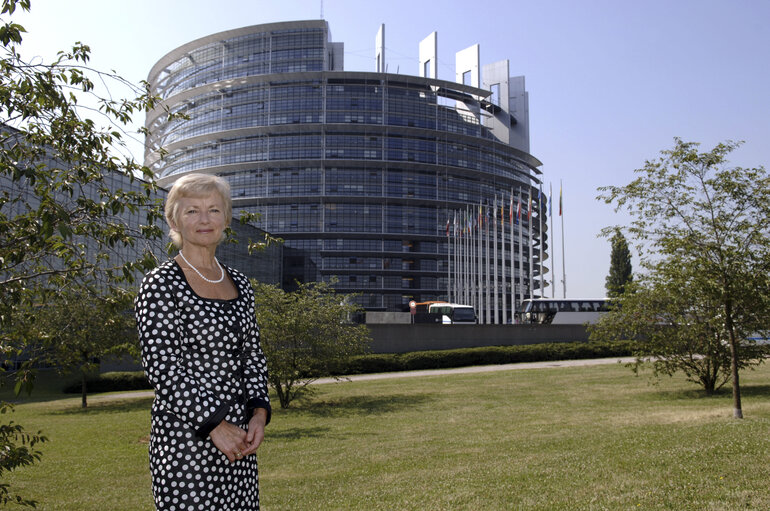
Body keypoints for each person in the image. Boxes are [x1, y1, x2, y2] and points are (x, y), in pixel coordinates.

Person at [135, 173, 271, 510]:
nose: (204, 219)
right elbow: (162, 369)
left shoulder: (240, 283)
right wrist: (215, 424)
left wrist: (257, 414)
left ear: (226, 217)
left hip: (239, 441)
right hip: (187, 441)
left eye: (213, 209)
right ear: (174, 219)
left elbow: (252, 356)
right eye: (192, 210)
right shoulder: (161, 284)